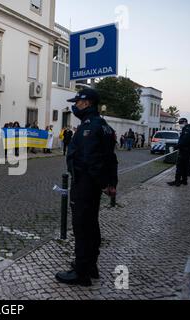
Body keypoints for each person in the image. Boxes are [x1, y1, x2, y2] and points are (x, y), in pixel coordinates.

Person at [56, 89, 118, 287]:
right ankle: (90, 265)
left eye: (78, 102)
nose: (75, 105)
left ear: (88, 103)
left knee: (82, 228)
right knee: (91, 225)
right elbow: (111, 159)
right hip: (91, 185)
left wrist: (102, 183)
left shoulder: (89, 127)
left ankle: (81, 273)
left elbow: (92, 160)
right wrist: (110, 183)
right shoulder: (104, 126)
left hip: (85, 184)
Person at [168, 118, 190, 186]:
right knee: (185, 167)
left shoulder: (187, 130)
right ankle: (184, 180)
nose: (180, 125)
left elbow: (184, 141)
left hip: (184, 151)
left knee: (179, 167)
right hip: (188, 151)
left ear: (185, 122)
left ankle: (177, 181)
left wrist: (175, 147)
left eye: (181, 123)